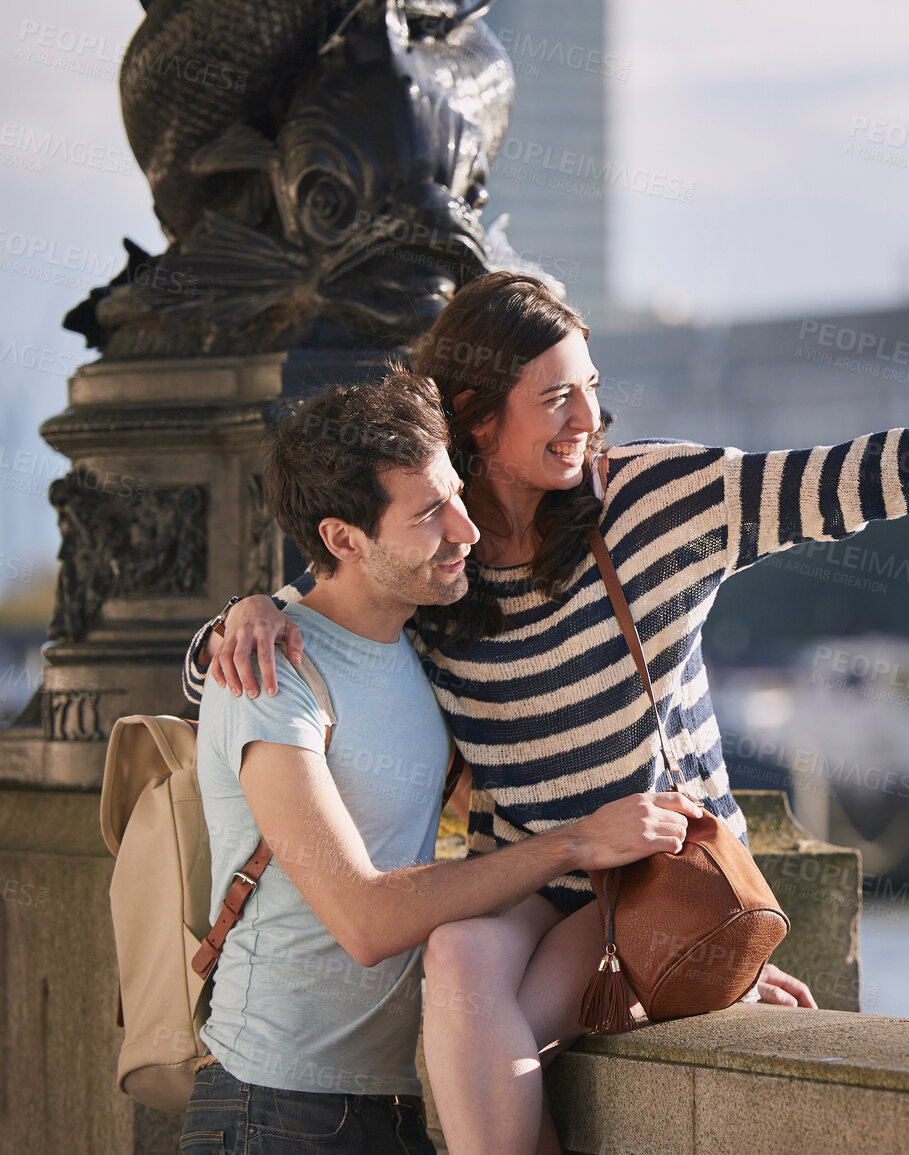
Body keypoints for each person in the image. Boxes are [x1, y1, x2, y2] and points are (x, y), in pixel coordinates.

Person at [185, 271, 909, 1155]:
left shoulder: (655, 502)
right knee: (455, 961)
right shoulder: (442, 576)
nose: (586, 417)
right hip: (530, 874)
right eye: (555, 398)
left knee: (490, 1047)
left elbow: (844, 480)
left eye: (590, 388)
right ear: (474, 419)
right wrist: (244, 617)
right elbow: (328, 621)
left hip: (651, 876)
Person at [183, 374, 705, 1155]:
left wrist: (695, 967)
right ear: (343, 539)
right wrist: (572, 842)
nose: (465, 527)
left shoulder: (423, 646)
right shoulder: (270, 674)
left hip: (393, 1100)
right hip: (275, 1109)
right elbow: (366, 920)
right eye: (429, 513)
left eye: (455, 494)